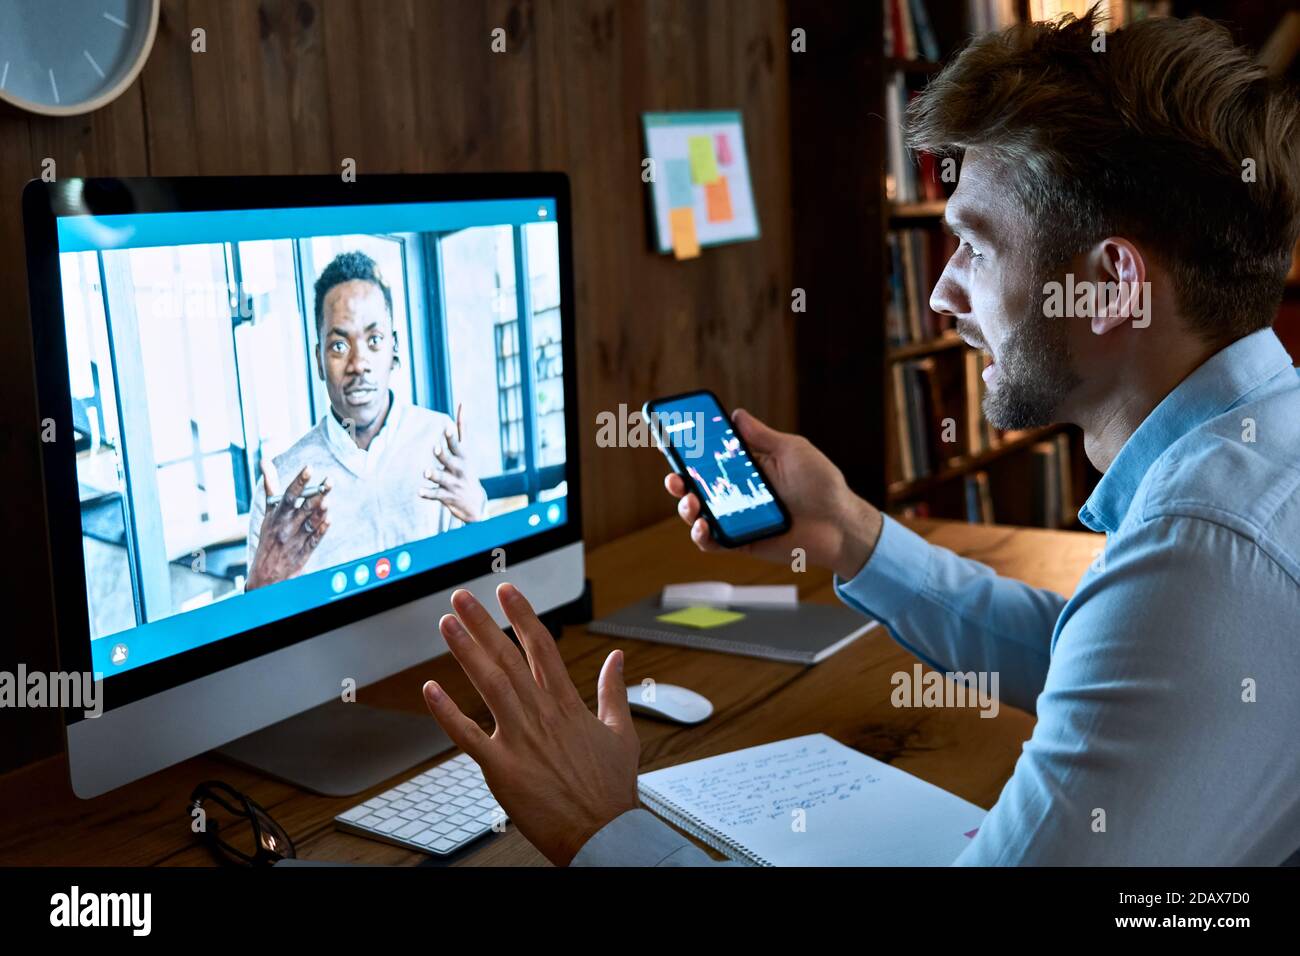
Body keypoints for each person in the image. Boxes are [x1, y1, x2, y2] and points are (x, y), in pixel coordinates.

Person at [421, 9, 1300, 865]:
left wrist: (598, 826)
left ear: (1112, 287)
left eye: (977, 246)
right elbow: (1097, 656)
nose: (943, 294)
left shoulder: (1202, 554)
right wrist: (850, 533)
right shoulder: (1254, 457)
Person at [245, 251, 487, 589]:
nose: (359, 363)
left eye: (374, 340)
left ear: (395, 349)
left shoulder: (439, 440)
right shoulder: (281, 484)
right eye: (339, 346)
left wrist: (479, 518)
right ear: (319, 360)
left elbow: (487, 582)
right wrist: (260, 587)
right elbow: (262, 629)